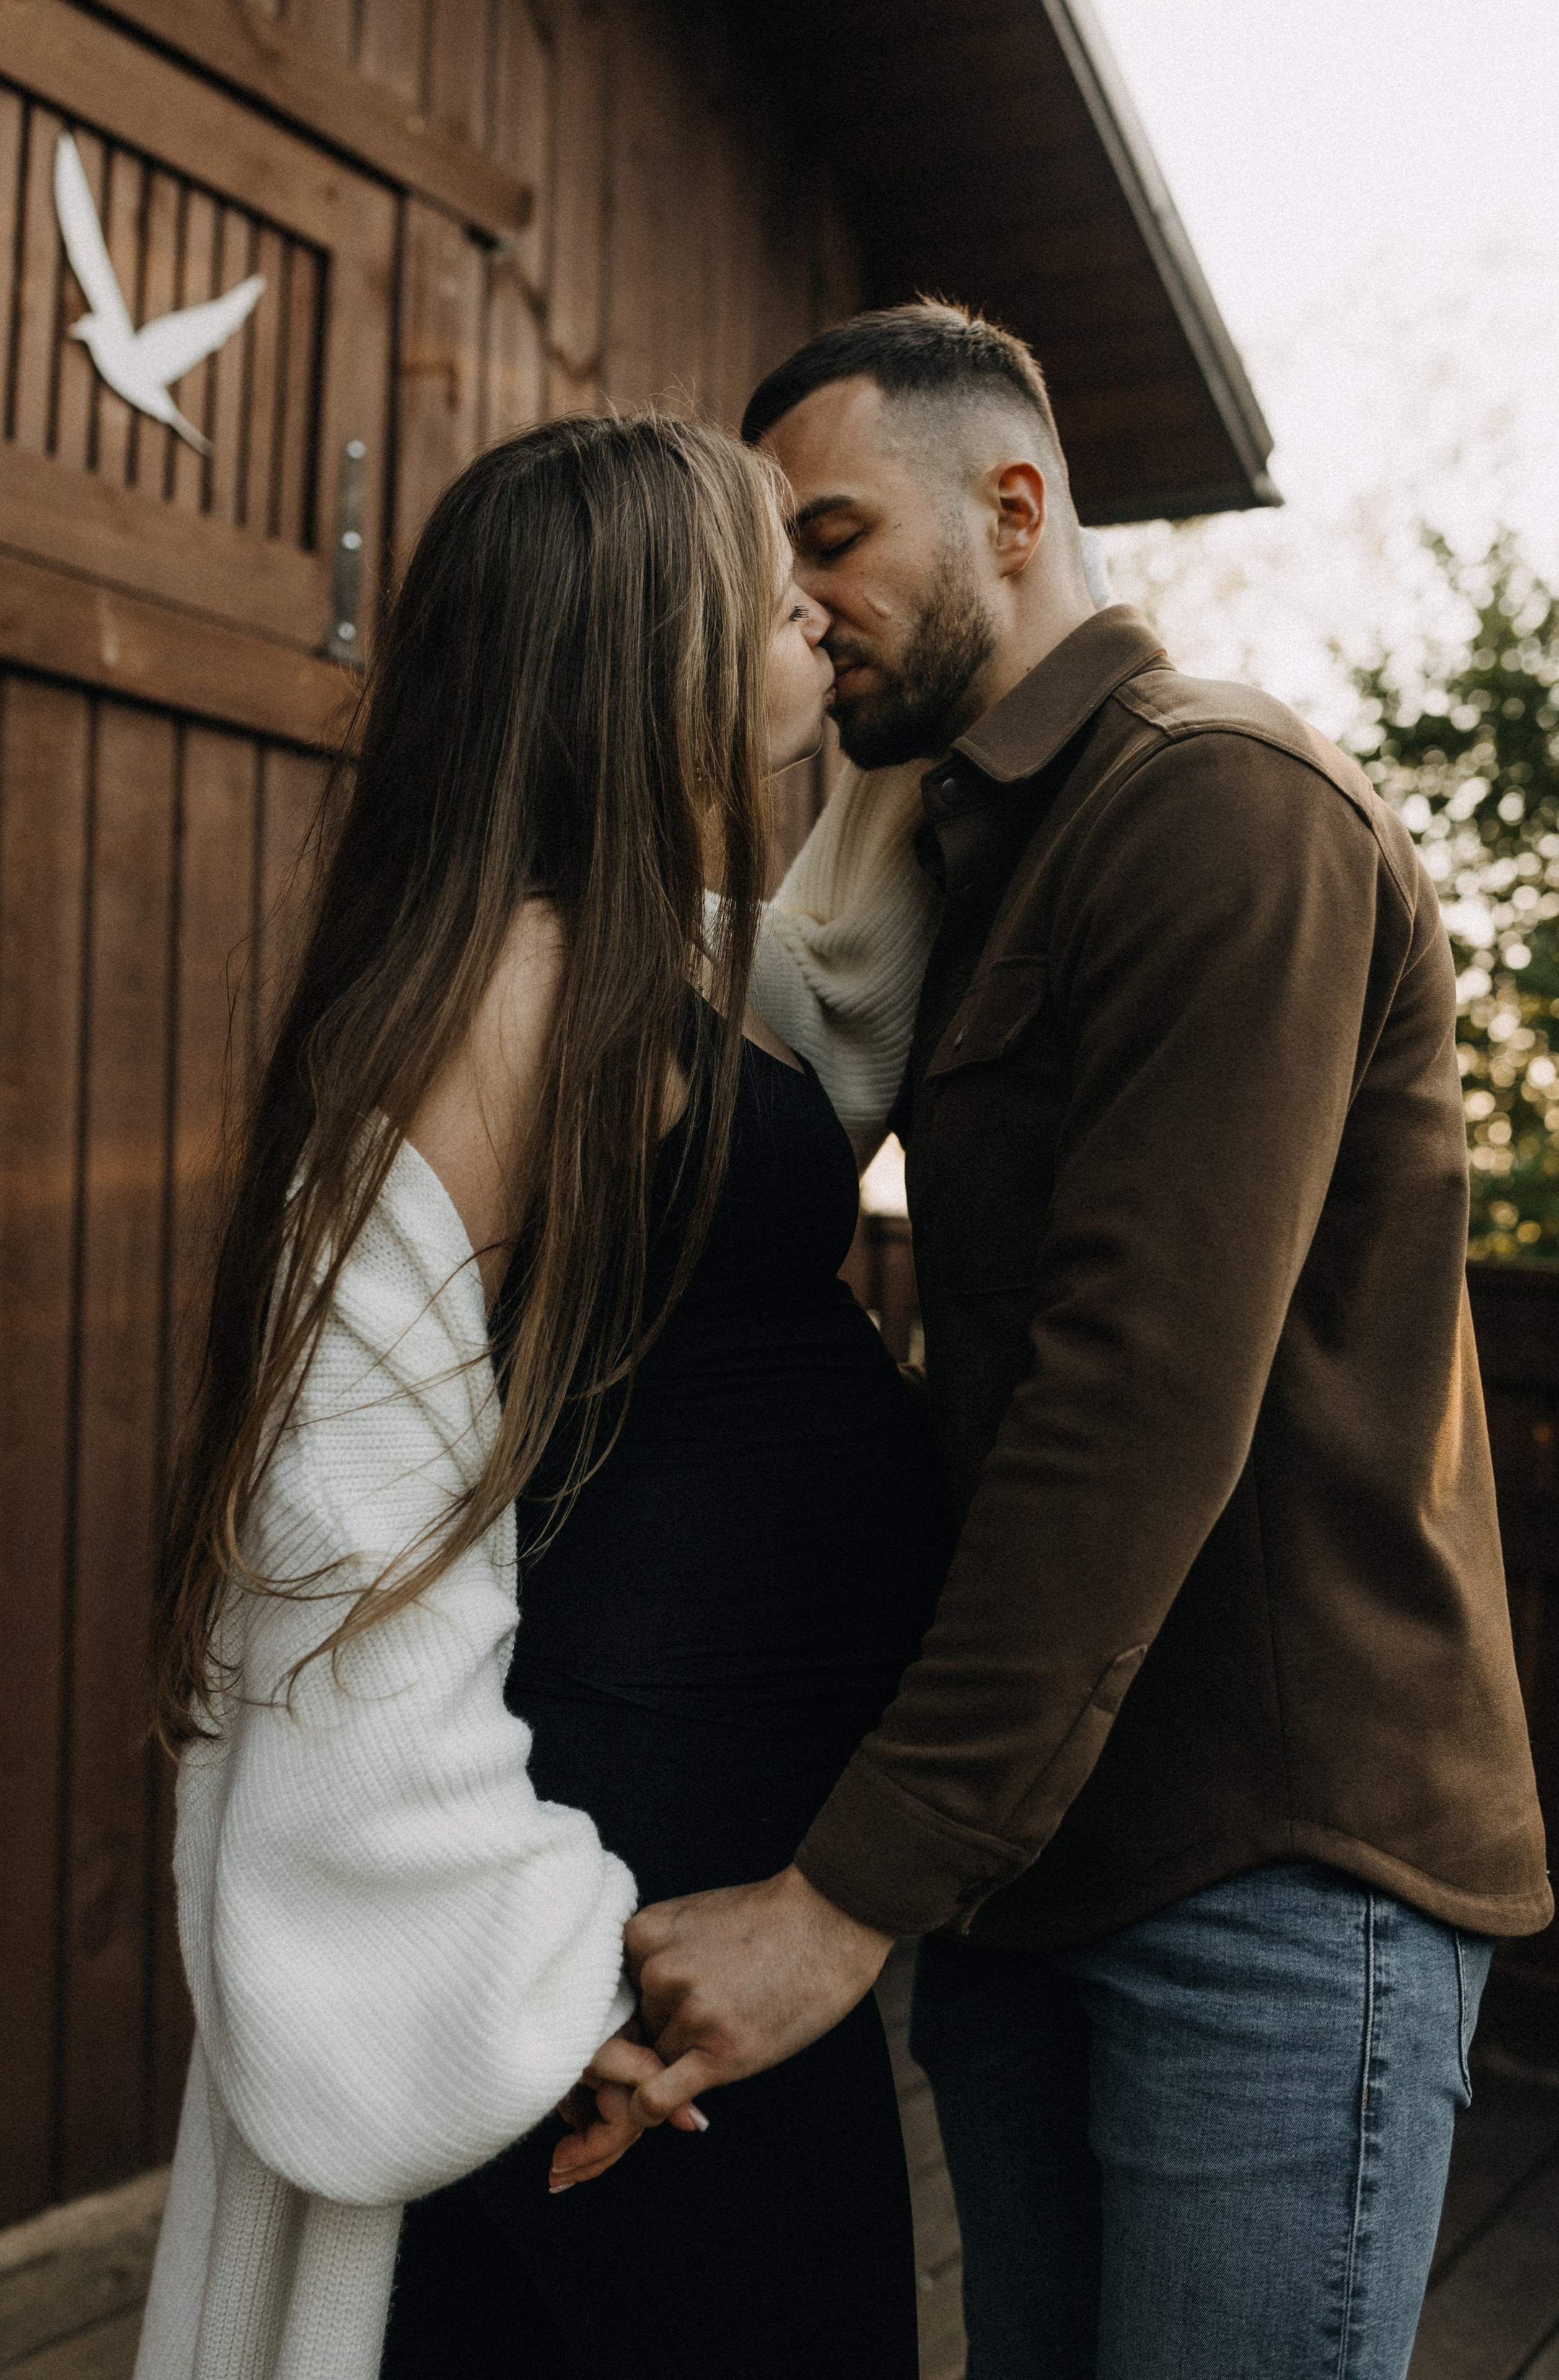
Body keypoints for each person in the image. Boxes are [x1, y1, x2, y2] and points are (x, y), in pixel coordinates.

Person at [618, 306, 1554, 2380]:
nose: (802, 609)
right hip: (1043, 1871)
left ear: (1017, 508)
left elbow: (1133, 1411)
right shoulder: (973, 856)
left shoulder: (1222, 814)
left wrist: (842, 1895)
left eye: (833, 537)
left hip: (1278, 1875)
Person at [136, 412, 952, 2380]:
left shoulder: (645, 968)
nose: (820, 625)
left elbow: (833, 987)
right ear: (652, 661)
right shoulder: (493, 1001)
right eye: (778, 598)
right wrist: (523, 1968)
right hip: (596, 1901)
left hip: (732, 1868)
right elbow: (346, 1517)